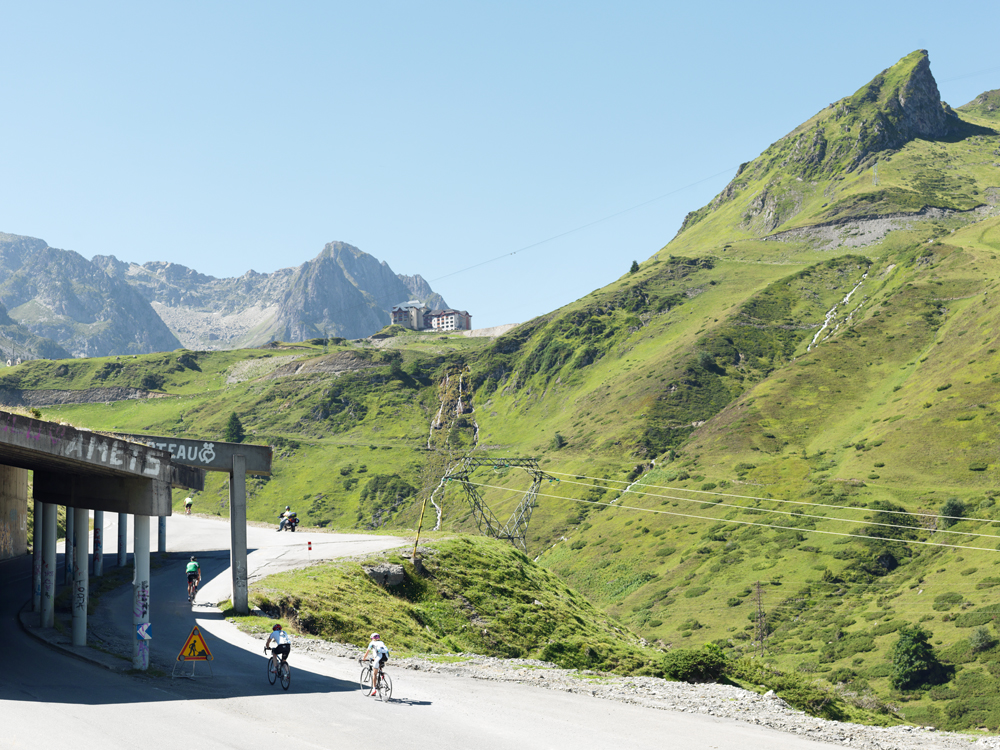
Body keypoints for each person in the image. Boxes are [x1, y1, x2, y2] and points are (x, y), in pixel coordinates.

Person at [361, 632, 389, 696]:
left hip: (378, 658)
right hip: (385, 658)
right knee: (379, 664)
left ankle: (374, 689)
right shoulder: (382, 642)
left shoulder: (372, 643)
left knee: (374, 673)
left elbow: (367, 652)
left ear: (372, 638)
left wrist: (363, 658)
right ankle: (382, 675)